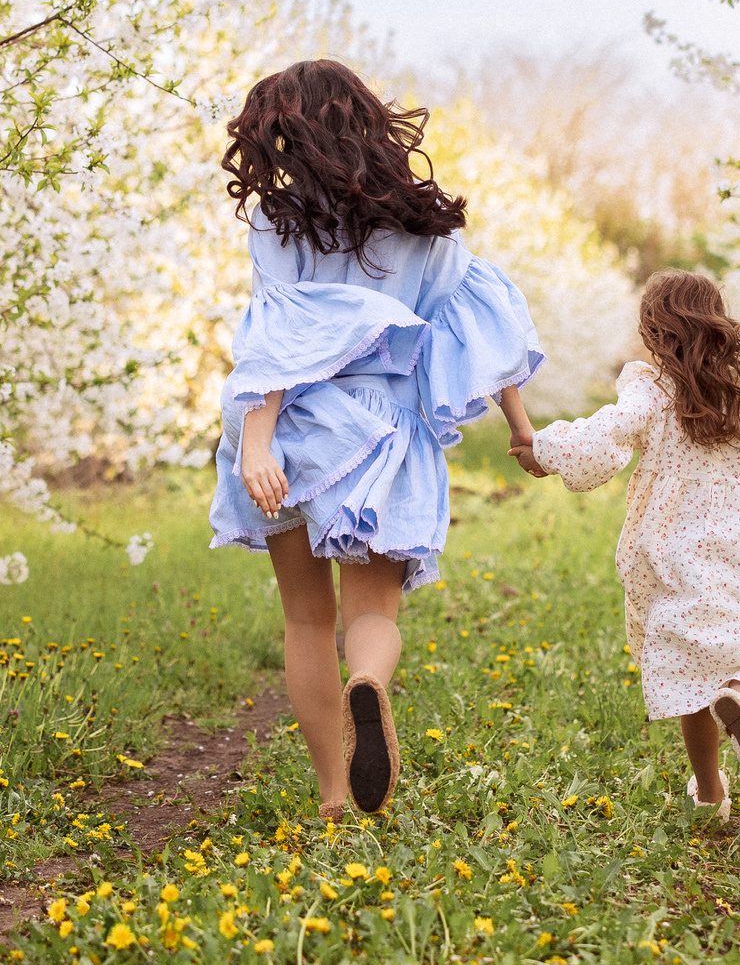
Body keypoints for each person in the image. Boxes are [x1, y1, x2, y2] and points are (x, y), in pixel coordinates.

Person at [211, 59, 544, 817]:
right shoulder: (424, 226)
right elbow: (484, 326)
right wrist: (520, 426)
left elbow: (276, 340)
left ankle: (334, 793)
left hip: (293, 428)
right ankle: (369, 681)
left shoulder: (279, 221)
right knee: (371, 617)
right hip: (385, 433)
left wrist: (256, 445)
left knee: (305, 619)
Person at [528, 271, 740, 814]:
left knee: (690, 664)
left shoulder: (653, 391)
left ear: (653, 331)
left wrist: (545, 451)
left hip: (676, 540)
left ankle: (709, 792)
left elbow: (604, 435)